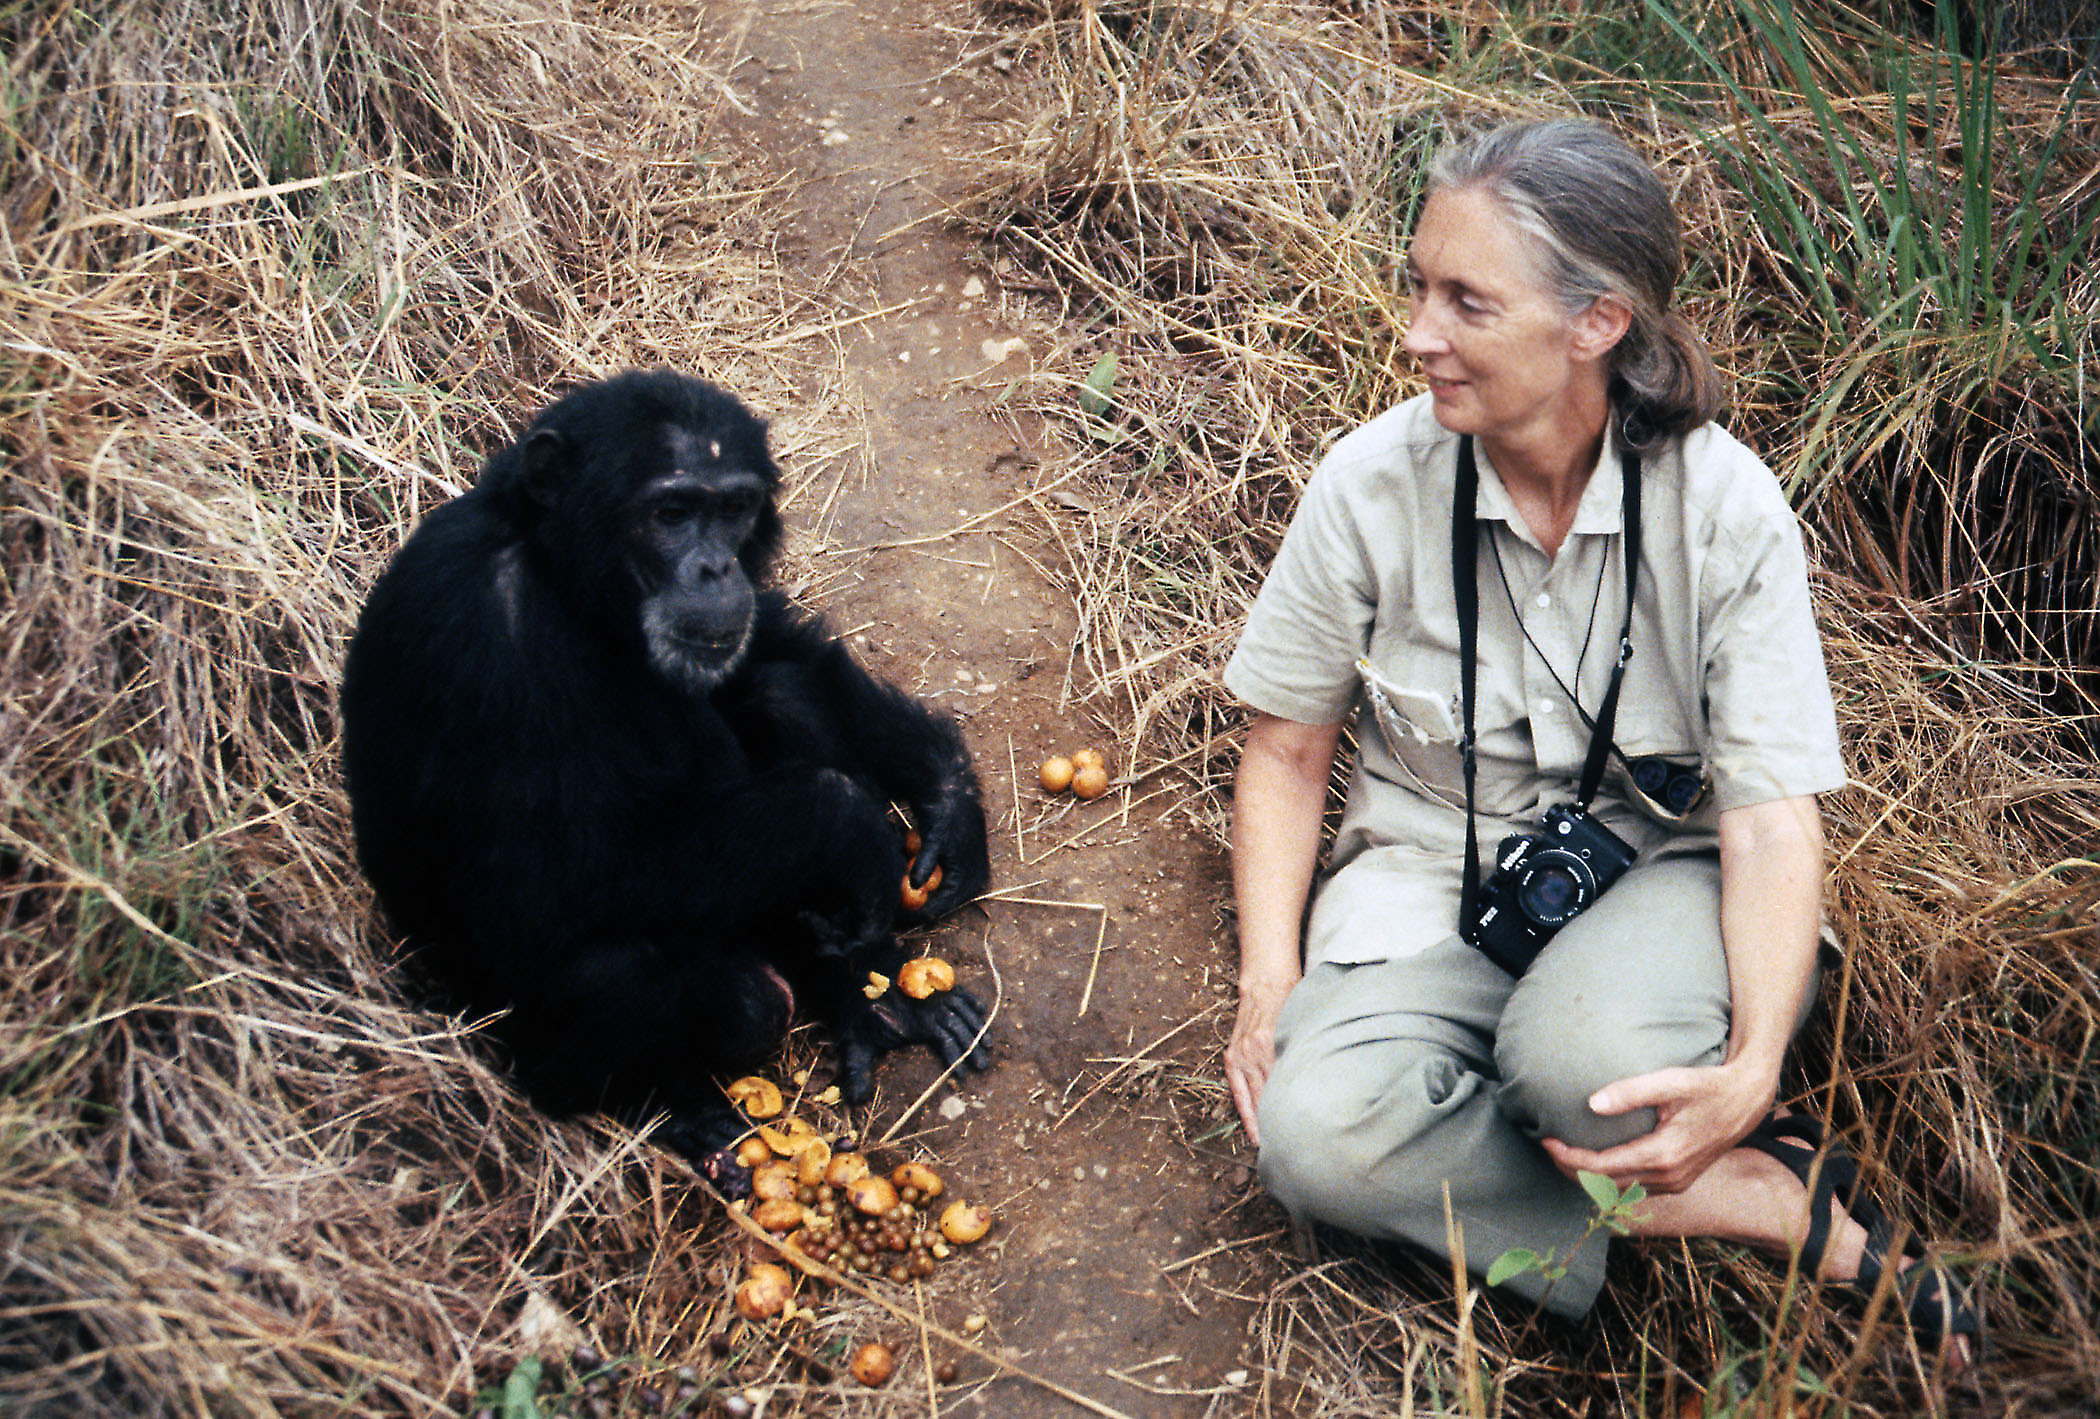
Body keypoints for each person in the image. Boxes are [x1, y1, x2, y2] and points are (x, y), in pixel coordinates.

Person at [1222, 117, 1975, 1348]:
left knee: (1586, 1075)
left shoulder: (1724, 506)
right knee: (1311, 1139)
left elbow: (1772, 816)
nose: (1417, 333)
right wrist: (1268, 989)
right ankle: (1752, 1203)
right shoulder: (1368, 482)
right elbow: (1286, 749)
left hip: (1659, 867)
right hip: (1424, 878)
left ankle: (1636, 1136)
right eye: (1419, 285)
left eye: (1467, 301)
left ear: (1596, 323)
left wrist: (1750, 1071)